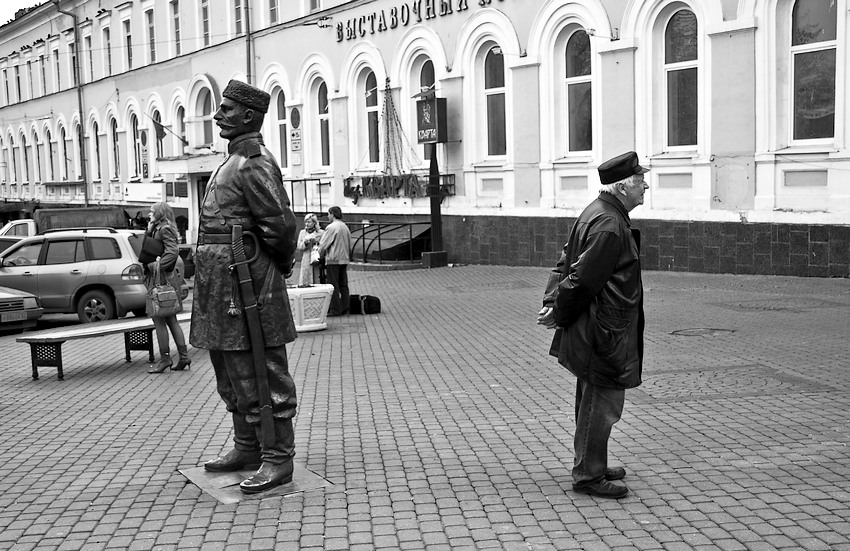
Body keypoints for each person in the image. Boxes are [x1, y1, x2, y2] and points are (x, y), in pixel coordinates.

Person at [190, 79, 299, 494]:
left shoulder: (253, 161)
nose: (218, 115)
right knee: (230, 371)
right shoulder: (229, 161)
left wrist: (277, 269)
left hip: (247, 286)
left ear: (249, 117)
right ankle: (247, 446)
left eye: (227, 109)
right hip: (221, 286)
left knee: (262, 374)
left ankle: (278, 458)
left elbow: (281, 225)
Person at [538, 151, 649, 500]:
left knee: (592, 398)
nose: (645, 185)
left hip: (599, 325)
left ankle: (591, 460)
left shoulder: (598, 213)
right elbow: (582, 278)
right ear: (622, 187)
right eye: (640, 180)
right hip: (604, 329)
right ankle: (588, 473)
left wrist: (553, 302)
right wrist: (558, 310)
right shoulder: (609, 224)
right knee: (603, 401)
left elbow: (565, 262)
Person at [144, 202, 190, 374]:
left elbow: (172, 252)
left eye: (152, 211)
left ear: (160, 213)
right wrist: (149, 230)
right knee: (170, 319)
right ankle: (183, 357)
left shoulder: (164, 229)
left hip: (162, 280)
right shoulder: (158, 228)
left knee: (159, 318)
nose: (149, 214)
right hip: (162, 278)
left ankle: (165, 359)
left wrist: (156, 267)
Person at [317, 206, 351, 316]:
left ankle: (335, 309)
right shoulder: (345, 227)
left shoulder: (331, 228)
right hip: (344, 258)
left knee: (333, 285)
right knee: (343, 284)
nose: (327, 216)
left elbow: (323, 244)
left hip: (333, 259)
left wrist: (320, 254)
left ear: (332, 214)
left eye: (328, 214)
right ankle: (345, 307)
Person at [295, 213, 324, 286]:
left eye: (309, 222)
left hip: (316, 259)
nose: (307, 224)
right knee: (306, 281)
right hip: (306, 260)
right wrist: (305, 243)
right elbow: (299, 246)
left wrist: (316, 242)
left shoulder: (321, 233)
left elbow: (324, 245)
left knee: (317, 280)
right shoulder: (302, 232)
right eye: (306, 222)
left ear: (314, 222)